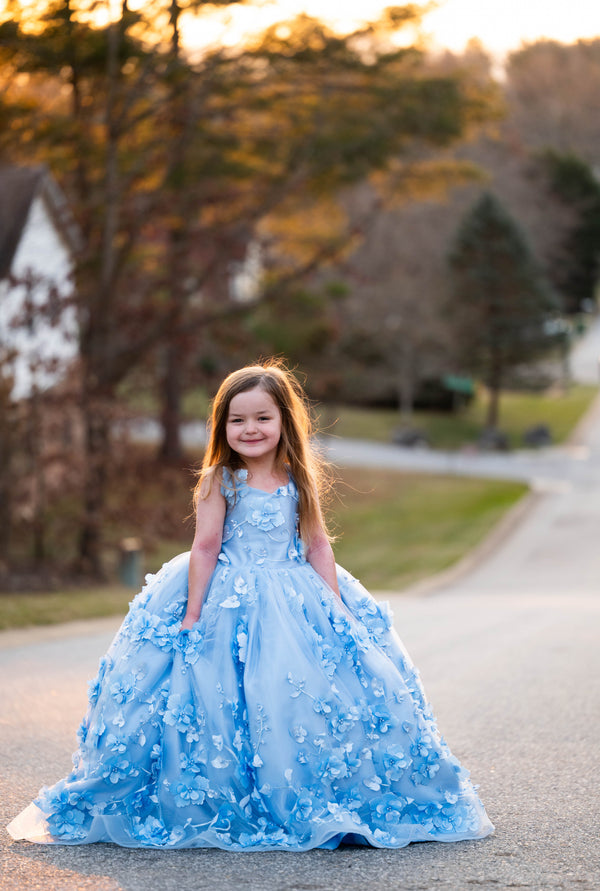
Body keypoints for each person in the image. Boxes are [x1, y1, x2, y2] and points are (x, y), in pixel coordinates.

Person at [7, 360, 494, 850]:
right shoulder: (221, 478)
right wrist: (193, 614)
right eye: (237, 420)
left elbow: (318, 544)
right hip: (226, 597)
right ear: (222, 427)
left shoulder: (298, 477)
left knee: (300, 691)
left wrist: (336, 606)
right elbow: (205, 547)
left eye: (262, 417)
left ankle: (318, 790)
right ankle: (225, 794)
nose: (250, 429)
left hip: (294, 593)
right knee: (219, 696)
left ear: (285, 420)